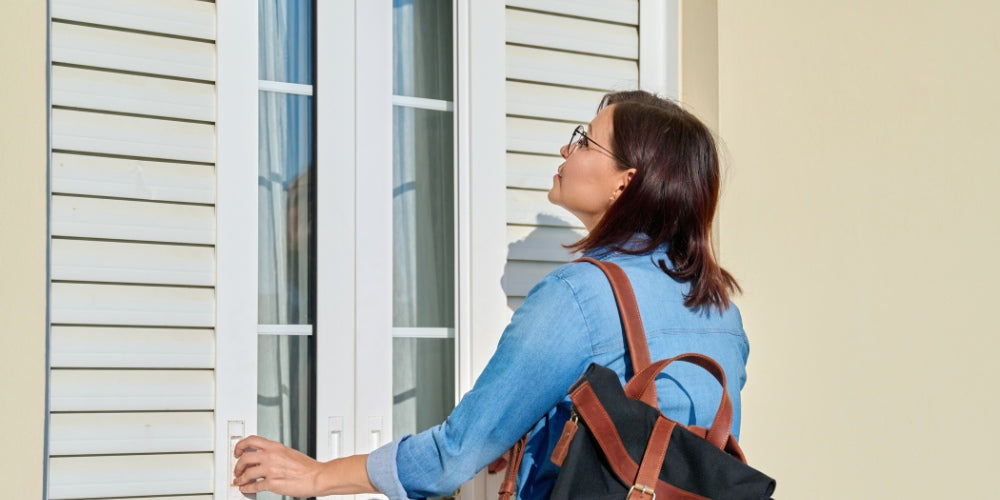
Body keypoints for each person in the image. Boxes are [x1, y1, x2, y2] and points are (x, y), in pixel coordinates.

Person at [233, 90, 749, 500]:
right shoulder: (720, 307)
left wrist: (319, 475)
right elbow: (668, 441)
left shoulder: (580, 294)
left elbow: (453, 457)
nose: (566, 150)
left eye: (585, 141)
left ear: (625, 183)